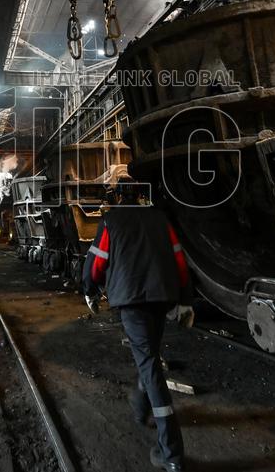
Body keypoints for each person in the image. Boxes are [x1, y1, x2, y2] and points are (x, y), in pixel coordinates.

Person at [82, 174, 194, 472]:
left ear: (118, 196)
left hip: (132, 303)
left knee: (151, 368)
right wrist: (185, 298)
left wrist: (89, 290)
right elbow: (179, 260)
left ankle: (171, 454)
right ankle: (139, 409)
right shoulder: (159, 219)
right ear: (140, 195)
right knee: (149, 358)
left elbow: (96, 263)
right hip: (162, 299)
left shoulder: (111, 222)